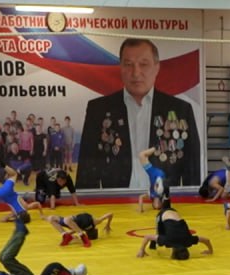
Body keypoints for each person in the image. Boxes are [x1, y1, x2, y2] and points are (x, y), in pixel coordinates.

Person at [77, 38, 201, 189]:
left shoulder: (181, 110)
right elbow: (86, 172)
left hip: (162, 198)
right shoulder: (98, 110)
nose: (136, 73)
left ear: (157, 68)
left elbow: (192, 172)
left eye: (143, 64)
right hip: (116, 200)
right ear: (120, 67)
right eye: (128, 64)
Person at [136, 203, 214, 260]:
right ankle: (153, 244)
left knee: (161, 236)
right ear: (173, 253)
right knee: (159, 235)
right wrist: (141, 250)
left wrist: (210, 250)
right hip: (162, 214)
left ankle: (166, 199)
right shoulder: (168, 240)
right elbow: (147, 236)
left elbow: (207, 240)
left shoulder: (188, 240)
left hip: (174, 212)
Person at [47, 210, 114, 248]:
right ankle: (80, 235)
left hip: (72, 222)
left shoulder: (87, 226)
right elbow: (110, 214)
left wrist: (108, 225)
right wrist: (108, 225)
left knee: (51, 218)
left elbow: (110, 214)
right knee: (57, 219)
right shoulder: (95, 222)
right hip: (72, 222)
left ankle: (65, 235)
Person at [135, 146, 171, 213]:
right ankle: (159, 182)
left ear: (153, 203)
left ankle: (155, 147)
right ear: (161, 204)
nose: (157, 205)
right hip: (160, 176)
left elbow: (141, 197)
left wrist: (141, 209)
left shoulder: (150, 195)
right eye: (159, 206)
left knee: (142, 155)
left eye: (155, 206)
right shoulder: (162, 196)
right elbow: (167, 200)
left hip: (153, 173)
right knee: (160, 190)